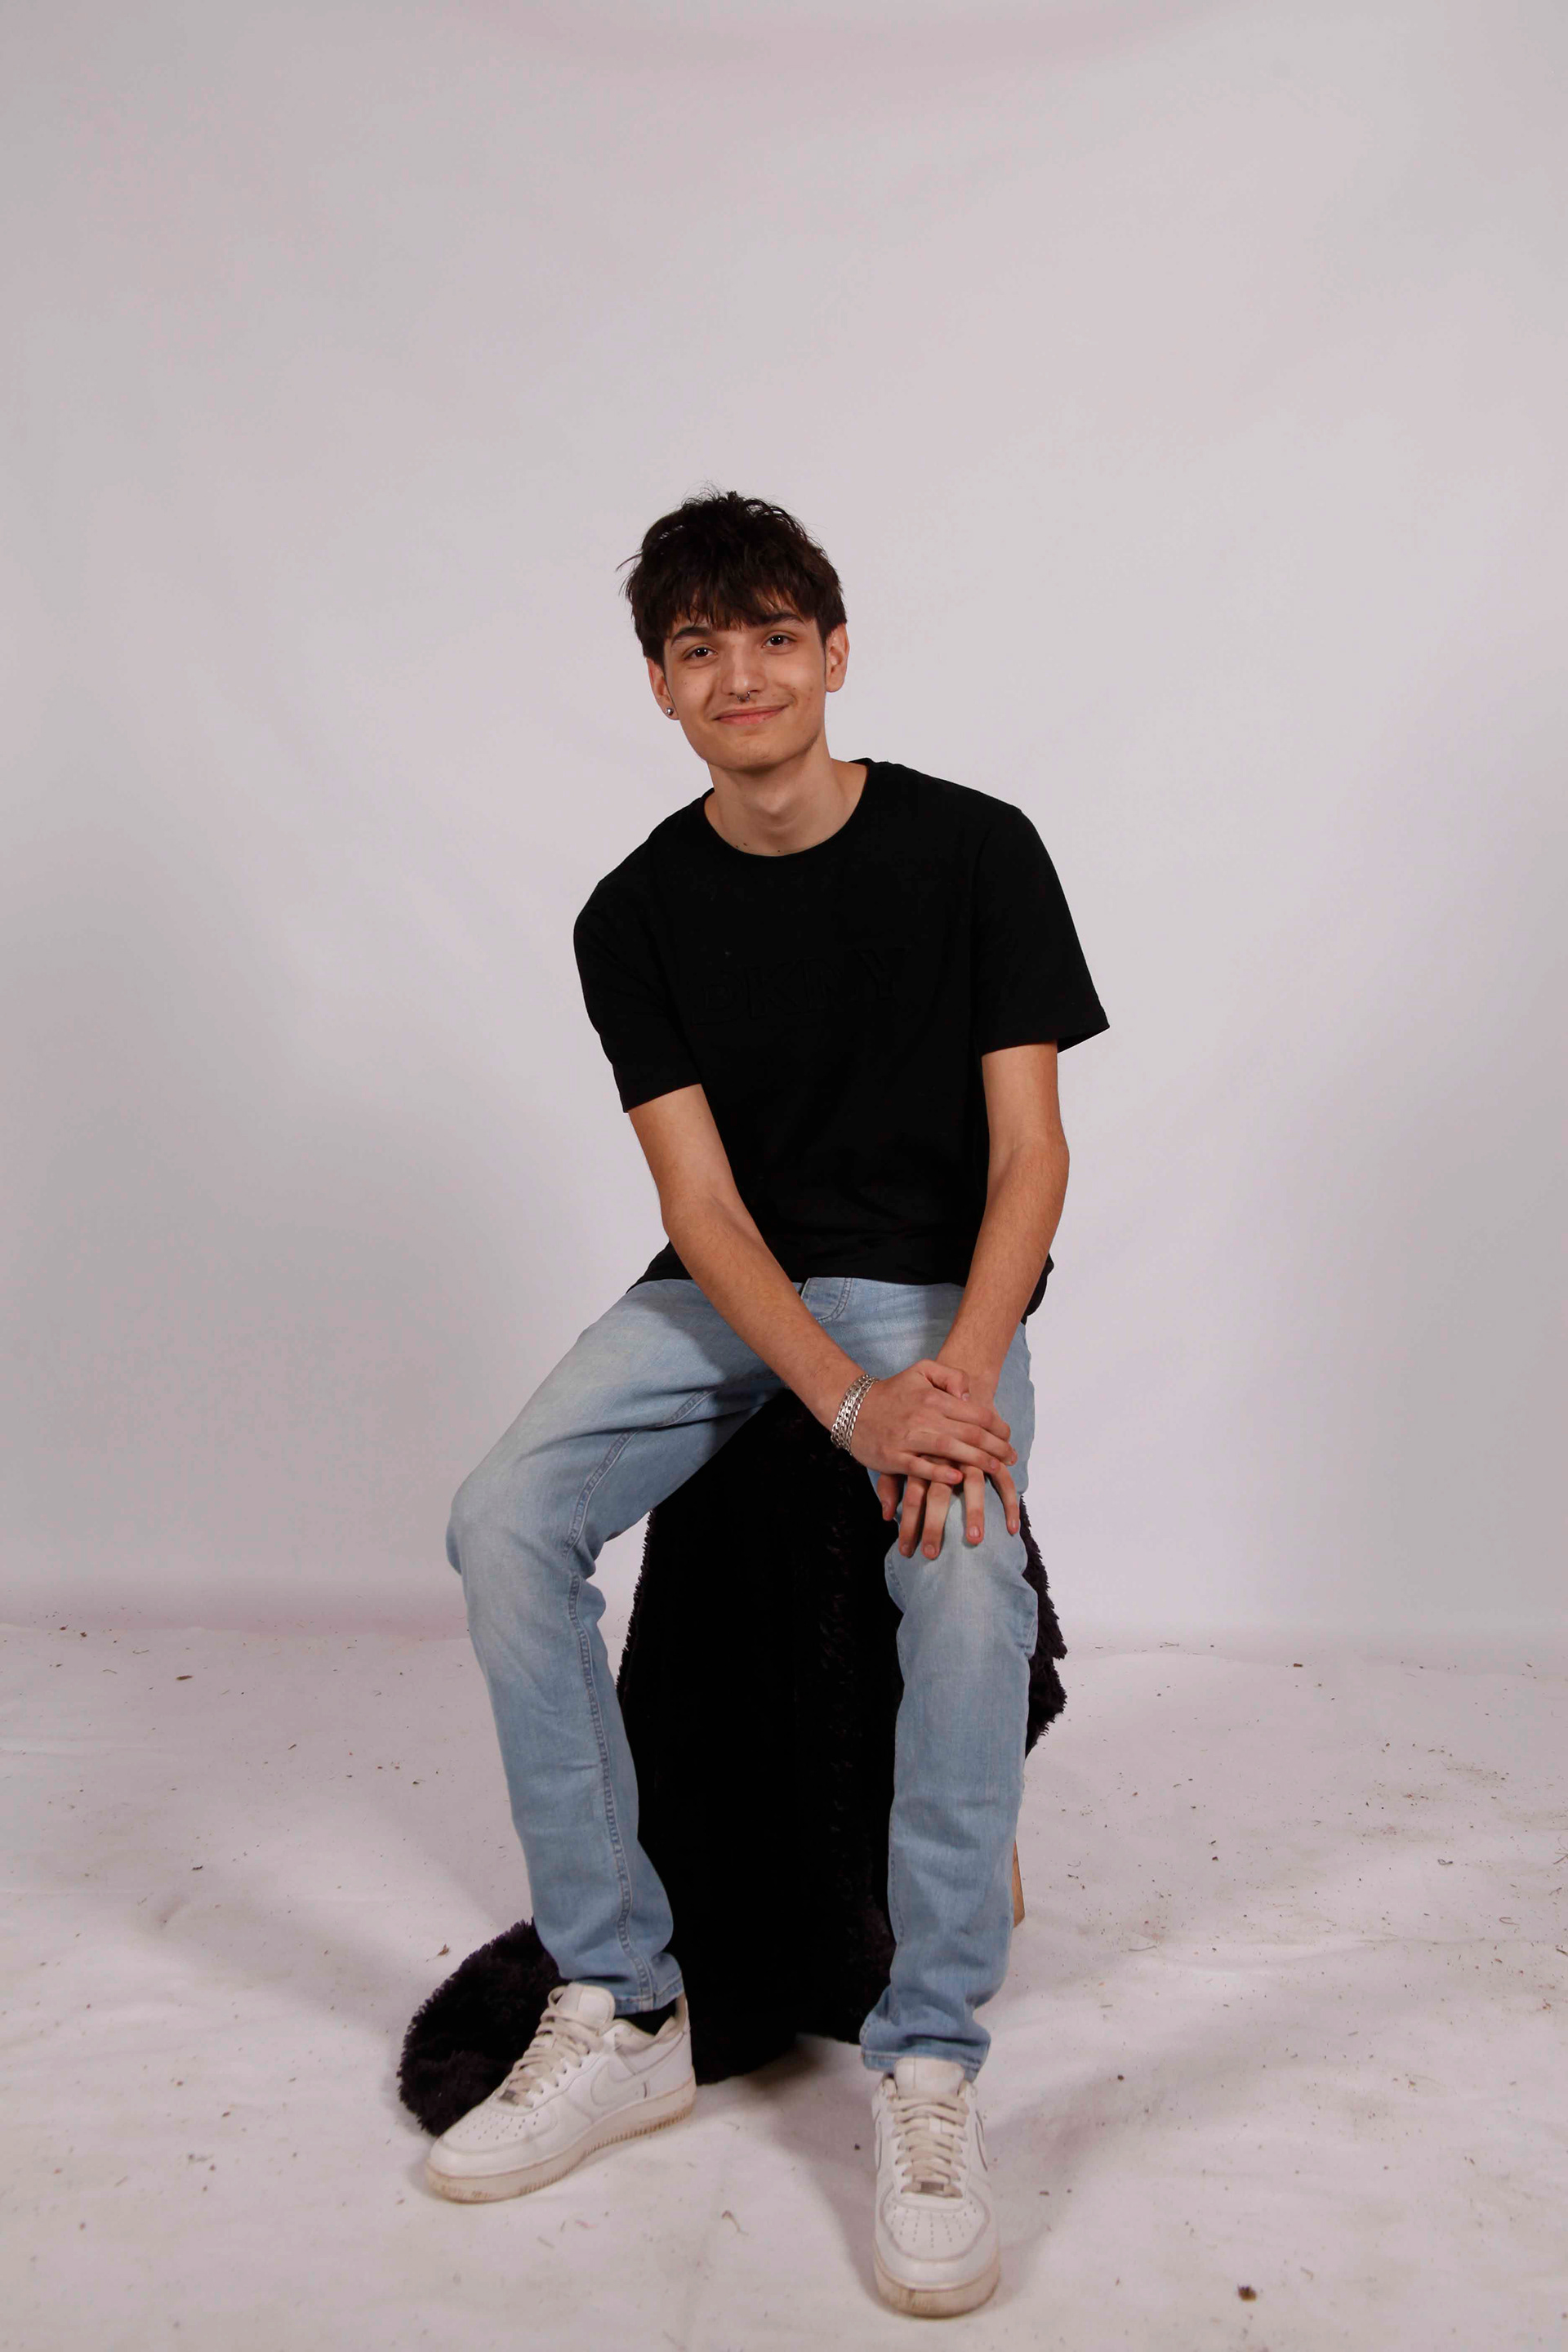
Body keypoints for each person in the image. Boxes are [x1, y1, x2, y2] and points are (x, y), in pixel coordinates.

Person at [427, 490, 1109, 2319]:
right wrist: (846, 1406)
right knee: (503, 1518)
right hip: (729, 1301)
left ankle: (931, 2058)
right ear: (660, 685)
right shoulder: (633, 913)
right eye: (698, 648)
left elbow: (1034, 1157)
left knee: (963, 1573)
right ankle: (622, 1996)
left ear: (834, 651)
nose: (742, 675)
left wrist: (950, 1381)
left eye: (774, 637)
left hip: (943, 1297)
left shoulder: (977, 849)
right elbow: (703, 1210)